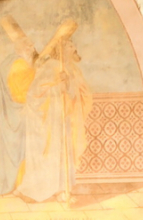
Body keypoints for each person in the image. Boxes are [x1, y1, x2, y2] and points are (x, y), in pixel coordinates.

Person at [17, 19, 91, 203]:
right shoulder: (50, 66)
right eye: (68, 46)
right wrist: (56, 83)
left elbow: (82, 94)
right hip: (49, 122)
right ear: (60, 49)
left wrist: (69, 84)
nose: (72, 49)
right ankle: (44, 189)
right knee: (50, 155)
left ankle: (62, 189)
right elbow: (34, 93)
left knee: (65, 155)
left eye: (73, 47)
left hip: (66, 120)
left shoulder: (73, 70)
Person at [0, 14, 36, 194]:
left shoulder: (8, 62)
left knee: (17, 151)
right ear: (21, 48)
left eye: (32, 45)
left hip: (10, 116)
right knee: (22, 150)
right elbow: (22, 94)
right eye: (29, 46)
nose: (33, 48)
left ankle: (18, 184)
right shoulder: (20, 65)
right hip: (20, 116)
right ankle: (20, 184)